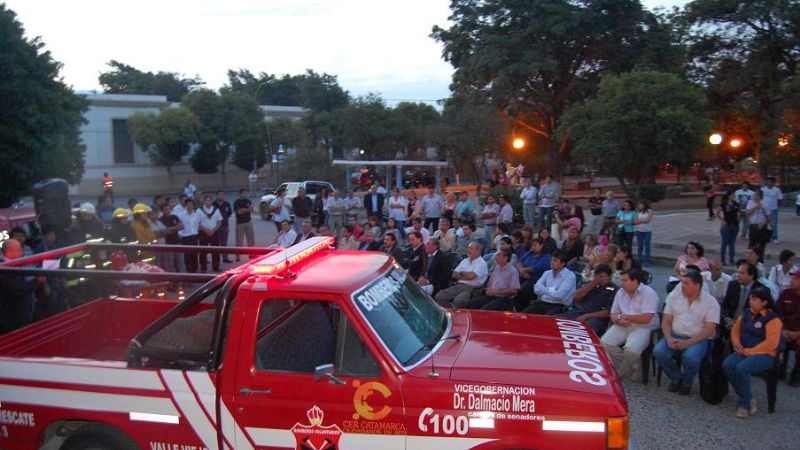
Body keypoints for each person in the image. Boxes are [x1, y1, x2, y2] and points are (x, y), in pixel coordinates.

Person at [654, 270, 720, 395]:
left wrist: (688, 342)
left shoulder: (710, 302)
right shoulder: (675, 298)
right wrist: (668, 337)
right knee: (659, 352)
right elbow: (666, 321)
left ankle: (687, 383)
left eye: (686, 283)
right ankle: (676, 377)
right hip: (675, 335)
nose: (682, 286)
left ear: (697, 285)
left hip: (698, 339)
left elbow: (709, 329)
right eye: (682, 283)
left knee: (690, 357)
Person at [723, 287, 783, 417]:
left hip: (765, 354)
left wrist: (749, 352)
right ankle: (748, 396)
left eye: (755, 299)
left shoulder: (773, 319)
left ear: (764, 302)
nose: (751, 301)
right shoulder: (746, 313)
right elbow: (735, 330)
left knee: (742, 368)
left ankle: (744, 404)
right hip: (744, 350)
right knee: (727, 365)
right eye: (750, 298)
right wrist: (737, 344)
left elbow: (771, 344)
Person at [600, 268, 660, 380]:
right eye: (621, 280)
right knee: (603, 344)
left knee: (632, 350)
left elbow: (646, 318)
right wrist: (618, 320)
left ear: (636, 281)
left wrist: (627, 317)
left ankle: (619, 373)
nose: (621, 283)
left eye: (625, 280)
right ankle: (635, 362)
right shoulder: (620, 292)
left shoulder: (649, 293)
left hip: (643, 326)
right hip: (623, 323)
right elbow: (613, 313)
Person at [558, 264, 617, 335]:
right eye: (597, 276)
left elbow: (608, 312)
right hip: (579, 312)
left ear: (609, 276)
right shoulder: (591, 284)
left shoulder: (613, 289)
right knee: (555, 320)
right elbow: (575, 297)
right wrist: (592, 284)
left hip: (597, 318)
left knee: (580, 331)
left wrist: (587, 316)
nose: (599, 279)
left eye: (602, 276)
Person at [0, 239, 43, 334]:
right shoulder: (4, 269)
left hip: (21, 311)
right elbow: (17, 290)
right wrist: (37, 280)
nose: (22, 253)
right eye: (19, 250)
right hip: (12, 316)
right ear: (10, 251)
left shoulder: (12, 266)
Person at [434, 242, 488, 308]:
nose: (468, 250)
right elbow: (454, 275)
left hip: (472, 289)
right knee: (439, 296)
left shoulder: (482, 263)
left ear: (478, 251)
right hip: (459, 285)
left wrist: (461, 273)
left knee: (458, 301)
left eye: (471, 248)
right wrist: (466, 275)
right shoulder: (465, 260)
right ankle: (450, 313)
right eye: (468, 248)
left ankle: (455, 313)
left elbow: (471, 276)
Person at [522, 250, 576, 315]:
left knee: (545, 321)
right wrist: (553, 290)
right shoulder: (547, 273)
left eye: (555, 261)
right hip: (543, 302)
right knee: (522, 316)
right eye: (551, 260)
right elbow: (536, 289)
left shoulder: (570, 276)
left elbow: (560, 296)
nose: (551, 262)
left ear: (563, 263)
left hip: (559, 306)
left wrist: (543, 290)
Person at [721, 262, 768, 328]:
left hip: (748, 325)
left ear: (751, 276)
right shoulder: (732, 285)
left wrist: (739, 323)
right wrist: (726, 318)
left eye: (742, 273)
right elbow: (725, 306)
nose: (738, 275)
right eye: (738, 272)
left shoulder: (761, 290)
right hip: (729, 323)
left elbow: (761, 313)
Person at [776, 271, 800, 385]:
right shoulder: (785, 293)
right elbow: (777, 313)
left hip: (798, 332)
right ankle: (780, 369)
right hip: (785, 329)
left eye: (795, 279)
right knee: (778, 337)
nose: (792, 280)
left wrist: (798, 333)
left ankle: (796, 373)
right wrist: (783, 329)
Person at [198, 195, 222, 272]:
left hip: (214, 232)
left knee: (215, 250)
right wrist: (206, 230)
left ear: (212, 201)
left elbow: (219, 221)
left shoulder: (216, 209)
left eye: (209, 200)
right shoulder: (199, 210)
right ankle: (203, 267)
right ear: (204, 201)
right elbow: (197, 223)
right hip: (203, 233)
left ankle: (216, 266)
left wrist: (214, 230)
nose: (208, 202)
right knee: (203, 251)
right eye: (206, 200)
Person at [745, 190, 770, 262]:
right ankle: (749, 261)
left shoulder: (765, 204)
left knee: (761, 246)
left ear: (759, 196)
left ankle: (760, 262)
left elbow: (768, 217)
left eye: (755, 195)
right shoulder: (750, 202)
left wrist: (763, 223)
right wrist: (755, 207)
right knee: (751, 245)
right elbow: (747, 213)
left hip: (761, 227)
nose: (754, 196)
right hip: (753, 226)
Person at [158, 203, 184, 273]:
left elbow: (182, 226)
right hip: (168, 244)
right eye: (166, 209)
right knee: (170, 263)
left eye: (169, 209)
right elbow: (166, 232)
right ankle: (174, 280)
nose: (168, 211)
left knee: (181, 262)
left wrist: (171, 229)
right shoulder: (160, 220)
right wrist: (175, 228)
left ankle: (184, 279)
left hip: (177, 242)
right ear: (162, 211)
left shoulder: (174, 217)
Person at [717, 194, 741, 266]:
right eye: (732, 195)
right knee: (725, 242)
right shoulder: (724, 204)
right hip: (726, 225)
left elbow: (739, 213)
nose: (734, 197)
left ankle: (731, 259)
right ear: (728, 196)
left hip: (734, 225)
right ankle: (722, 259)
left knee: (732, 243)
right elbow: (717, 212)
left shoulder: (736, 204)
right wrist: (722, 220)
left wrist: (738, 220)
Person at [233, 189, 254, 260]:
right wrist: (247, 209)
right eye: (243, 193)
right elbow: (239, 212)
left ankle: (251, 254)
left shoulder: (248, 201)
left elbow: (252, 209)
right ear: (240, 194)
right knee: (239, 240)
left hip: (248, 222)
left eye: (246, 193)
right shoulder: (237, 202)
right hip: (240, 223)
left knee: (251, 239)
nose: (245, 194)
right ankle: (238, 256)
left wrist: (243, 210)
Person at [760, 177, 783, 243]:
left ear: (773, 182)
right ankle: (764, 237)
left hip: (773, 209)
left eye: (770, 181)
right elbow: (759, 197)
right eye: (767, 181)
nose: (768, 183)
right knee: (763, 224)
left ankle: (774, 237)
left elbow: (780, 199)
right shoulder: (763, 189)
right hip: (763, 209)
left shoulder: (777, 190)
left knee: (773, 224)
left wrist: (775, 204)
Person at [214, 191, 233, 262]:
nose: (221, 196)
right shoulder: (213, 204)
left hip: (225, 225)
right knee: (216, 243)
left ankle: (225, 258)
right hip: (216, 226)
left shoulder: (226, 204)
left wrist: (225, 218)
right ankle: (217, 259)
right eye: (219, 195)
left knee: (224, 243)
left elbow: (229, 212)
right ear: (216, 195)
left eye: (222, 194)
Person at [634, 200, 653, 266]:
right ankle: (640, 259)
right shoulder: (638, 212)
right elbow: (635, 221)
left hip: (647, 231)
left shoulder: (649, 211)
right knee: (640, 246)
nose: (639, 206)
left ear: (644, 205)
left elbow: (647, 220)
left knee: (647, 246)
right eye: (639, 204)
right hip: (639, 231)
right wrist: (641, 221)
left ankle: (647, 261)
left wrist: (640, 220)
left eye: (641, 204)